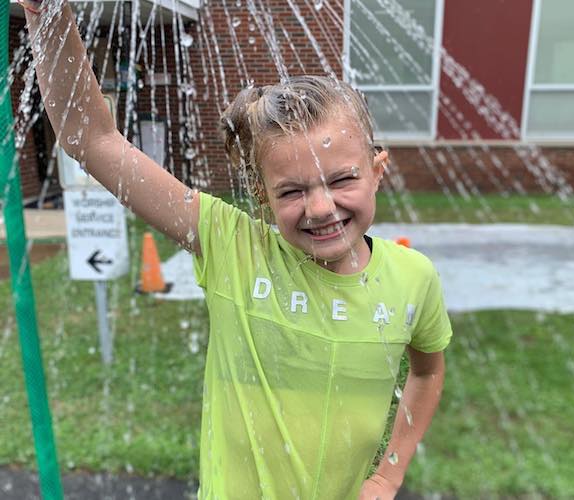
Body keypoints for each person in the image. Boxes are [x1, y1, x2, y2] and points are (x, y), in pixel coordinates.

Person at [22, 1, 452, 498]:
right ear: (263, 198)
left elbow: (427, 372)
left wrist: (388, 473)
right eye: (291, 191)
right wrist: (46, 14)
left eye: (342, 180)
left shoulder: (414, 278)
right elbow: (91, 139)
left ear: (377, 171)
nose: (320, 207)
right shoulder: (233, 247)